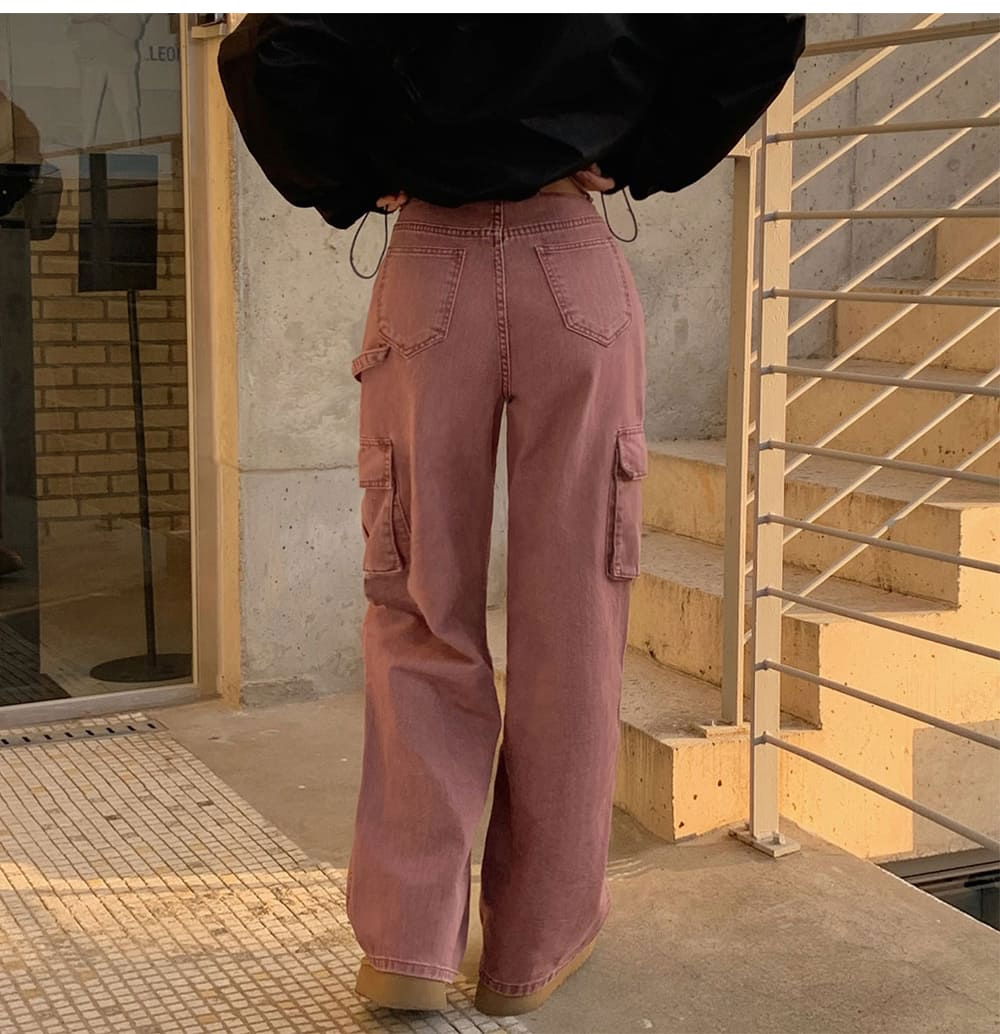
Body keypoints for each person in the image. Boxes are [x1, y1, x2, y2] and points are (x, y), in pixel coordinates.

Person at [218, 13, 805, 1016]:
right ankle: (534, 942)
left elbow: (266, 45)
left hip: (430, 266)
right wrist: (637, 151)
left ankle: (409, 943)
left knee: (419, 606)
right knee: (574, 624)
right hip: (569, 260)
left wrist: (360, 171)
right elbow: (760, 24)